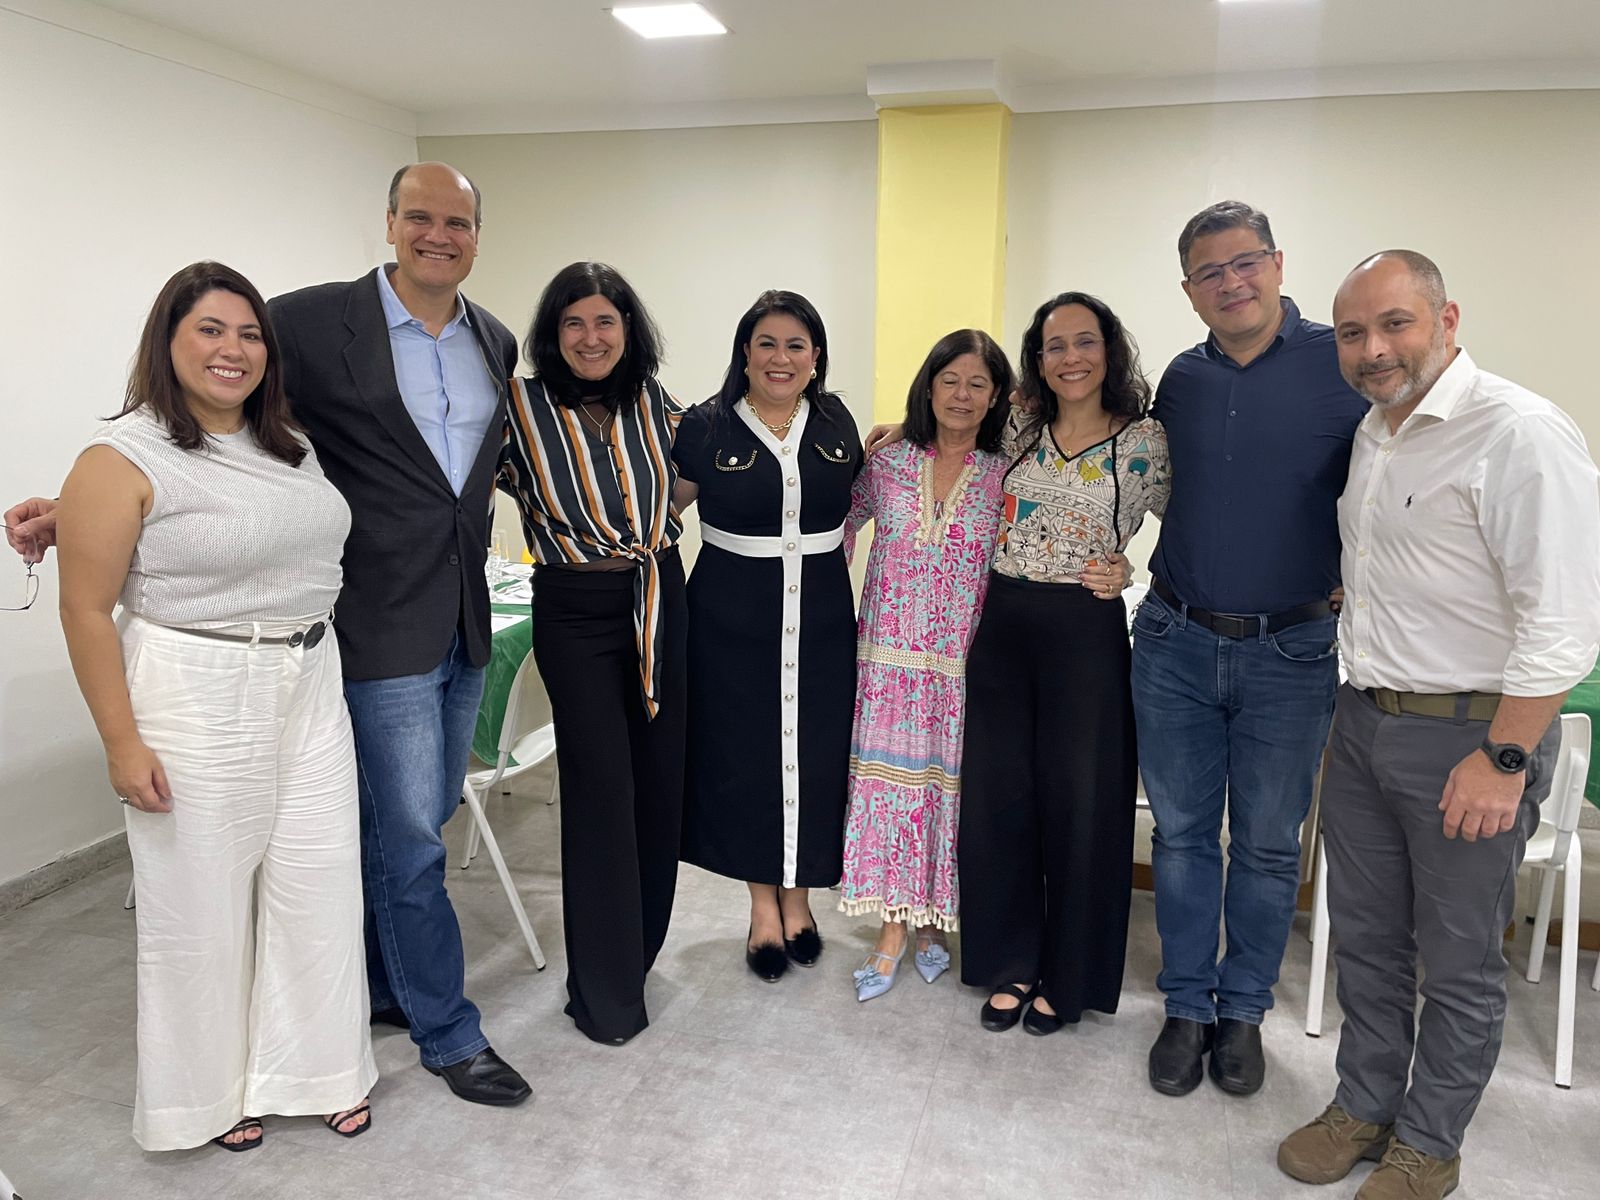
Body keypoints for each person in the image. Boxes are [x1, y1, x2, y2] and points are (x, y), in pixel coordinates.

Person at [9, 164, 533, 1104]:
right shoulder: (304, 321)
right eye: (419, 217)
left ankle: (382, 985)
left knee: (411, 824)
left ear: (478, 236)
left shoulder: (494, 338)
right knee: (410, 841)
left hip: (461, 620)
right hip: (370, 623)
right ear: (389, 222)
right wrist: (81, 506)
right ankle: (448, 1031)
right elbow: (198, 410)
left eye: (457, 222)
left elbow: (450, 474)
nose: (438, 235)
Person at [1276, 252, 1600, 1200]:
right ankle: (1365, 1105)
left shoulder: (1519, 432)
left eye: (1395, 324)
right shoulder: (1374, 434)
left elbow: (1565, 621)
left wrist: (1505, 756)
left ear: (1446, 320)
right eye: (1352, 333)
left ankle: (1430, 1143)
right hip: (1366, 718)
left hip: (1472, 737)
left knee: (1457, 959)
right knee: (1368, 941)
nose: (1373, 349)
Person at [53, 261, 375, 1151]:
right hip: (194, 684)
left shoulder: (289, 444)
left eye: (249, 334)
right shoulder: (121, 458)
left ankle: (317, 1071)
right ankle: (202, 1099)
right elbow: (85, 610)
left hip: (309, 674)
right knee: (198, 903)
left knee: (317, 882)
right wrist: (121, 743)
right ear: (168, 341)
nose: (233, 350)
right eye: (210, 329)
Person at [1136, 201, 1367, 1098]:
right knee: (1183, 837)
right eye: (1210, 272)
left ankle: (1242, 1013)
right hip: (1174, 640)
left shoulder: (1341, 365)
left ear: (1277, 264)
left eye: (1245, 263)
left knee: (1270, 847)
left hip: (1293, 652)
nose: (1231, 282)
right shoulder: (1180, 381)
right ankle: (1186, 1007)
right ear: (1189, 291)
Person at [958, 293, 1168, 1035]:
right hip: (1003, 628)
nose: (1071, 357)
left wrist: (1132, 571)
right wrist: (890, 433)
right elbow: (945, 428)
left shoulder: (1145, 441)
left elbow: (1192, 534)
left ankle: (1069, 974)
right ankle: (1010, 961)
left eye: (1085, 342)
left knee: (1082, 804)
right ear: (1038, 360)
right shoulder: (1018, 425)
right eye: (1055, 346)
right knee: (1001, 800)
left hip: (1085, 634)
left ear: (1110, 350)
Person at [497, 261, 687, 1045]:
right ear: (553, 333)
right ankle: (604, 995)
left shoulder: (653, 401)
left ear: (628, 330)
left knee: (658, 785)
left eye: (605, 321)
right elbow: (446, 475)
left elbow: (711, 457)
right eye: (573, 323)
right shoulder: (518, 406)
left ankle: (634, 955)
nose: (590, 337)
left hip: (660, 597)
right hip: (574, 610)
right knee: (601, 791)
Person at [673, 291, 860, 982]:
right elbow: (662, 509)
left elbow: (874, 484)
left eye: (796, 346)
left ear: (815, 356)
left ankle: (800, 897)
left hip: (822, 619)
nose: (782, 358)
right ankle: (761, 906)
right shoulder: (706, 425)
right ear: (745, 353)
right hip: (730, 621)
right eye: (767, 344)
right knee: (746, 756)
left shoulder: (835, 421)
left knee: (815, 753)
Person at [837, 329, 1012, 1000]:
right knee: (888, 795)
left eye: (978, 384)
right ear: (928, 386)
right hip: (886, 661)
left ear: (996, 397)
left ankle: (935, 921)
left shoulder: (1006, 473)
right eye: (950, 381)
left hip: (962, 666)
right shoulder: (887, 462)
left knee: (948, 796)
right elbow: (838, 528)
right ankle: (892, 929)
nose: (962, 395)